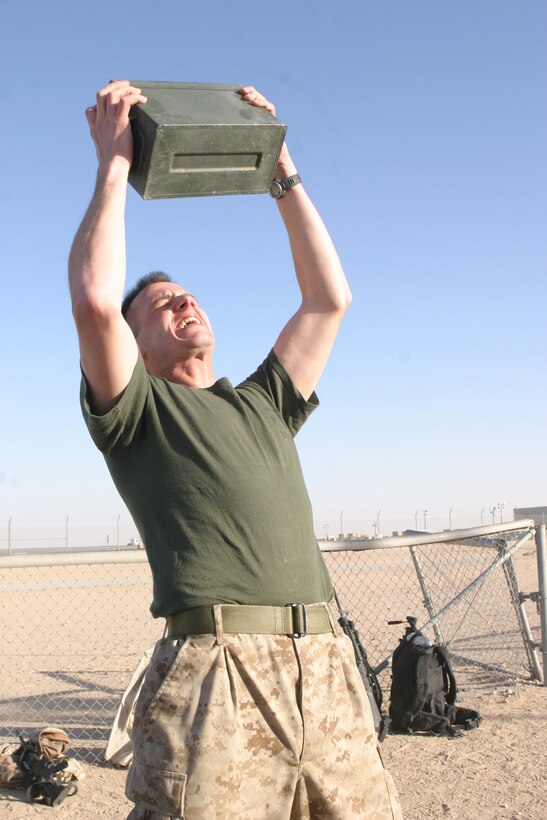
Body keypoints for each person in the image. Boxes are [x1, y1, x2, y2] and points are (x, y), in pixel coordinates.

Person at [69, 80, 402, 820]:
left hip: (325, 663)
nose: (183, 302)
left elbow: (328, 299)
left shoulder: (263, 403)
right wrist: (114, 165)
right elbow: (95, 301)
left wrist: (280, 169)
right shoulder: (137, 413)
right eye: (160, 304)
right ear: (136, 347)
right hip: (218, 675)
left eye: (189, 294)